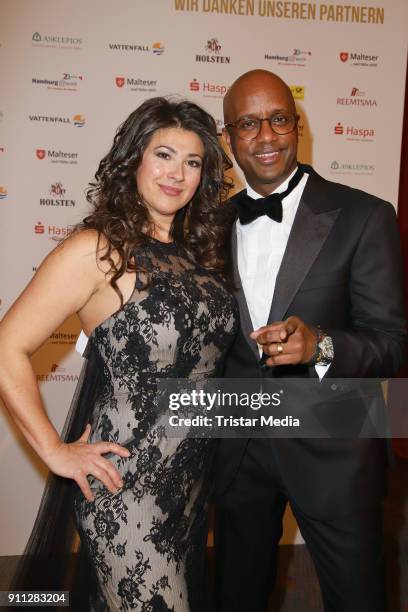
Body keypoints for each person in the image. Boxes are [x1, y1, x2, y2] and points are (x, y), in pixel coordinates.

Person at [0, 97, 238, 611]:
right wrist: (54, 450)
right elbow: (6, 349)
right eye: (164, 155)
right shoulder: (97, 249)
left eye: (192, 162)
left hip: (191, 495)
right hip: (128, 496)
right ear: (134, 159)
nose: (177, 174)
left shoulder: (200, 254)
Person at [214, 69, 406, 612]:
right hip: (237, 447)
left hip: (336, 446)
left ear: (297, 126)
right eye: (248, 125)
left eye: (279, 119)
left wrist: (320, 345)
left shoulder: (366, 216)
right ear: (228, 138)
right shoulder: (208, 225)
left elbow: (392, 343)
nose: (267, 137)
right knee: (236, 596)